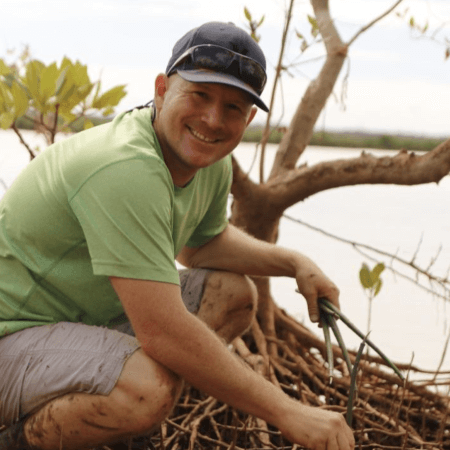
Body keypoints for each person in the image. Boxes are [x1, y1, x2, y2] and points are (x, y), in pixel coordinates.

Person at [0, 21, 355, 450]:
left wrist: (294, 263)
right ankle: (21, 440)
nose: (212, 119)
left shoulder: (208, 162)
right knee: (146, 389)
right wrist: (289, 412)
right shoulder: (124, 166)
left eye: (233, 108)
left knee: (233, 293)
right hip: (12, 336)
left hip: (77, 323)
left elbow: (199, 246)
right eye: (200, 95)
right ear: (163, 89)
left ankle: (107, 420)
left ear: (249, 118)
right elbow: (162, 331)